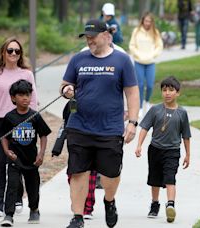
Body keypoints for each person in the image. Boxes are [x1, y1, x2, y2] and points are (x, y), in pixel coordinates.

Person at [61, 19, 139, 228]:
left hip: (110, 128)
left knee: (111, 173)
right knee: (78, 171)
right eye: (87, 37)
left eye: (93, 37)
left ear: (107, 36)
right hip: (79, 125)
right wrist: (66, 91)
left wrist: (132, 122)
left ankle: (109, 201)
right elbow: (65, 85)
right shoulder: (78, 59)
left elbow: (132, 92)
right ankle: (78, 217)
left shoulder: (122, 61)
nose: (89, 41)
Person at [0, 37, 38, 217]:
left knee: (17, 159)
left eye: (17, 51)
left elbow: (33, 101)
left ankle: (17, 196)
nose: (13, 54)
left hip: (20, 121)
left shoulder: (26, 74)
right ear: (3, 52)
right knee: (1, 161)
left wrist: (33, 122)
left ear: (20, 54)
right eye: (10, 50)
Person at [134, 76, 191, 223]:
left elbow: (186, 136)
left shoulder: (182, 113)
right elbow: (144, 128)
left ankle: (170, 205)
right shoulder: (155, 110)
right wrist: (139, 145)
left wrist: (187, 155)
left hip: (172, 151)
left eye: (171, 90)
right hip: (155, 149)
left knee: (170, 177)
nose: (167, 93)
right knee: (155, 178)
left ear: (178, 93)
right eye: (164, 90)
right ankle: (155, 203)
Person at [0, 79, 52, 226]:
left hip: (31, 159)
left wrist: (41, 154)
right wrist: (6, 151)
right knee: (12, 185)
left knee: (33, 186)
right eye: (21, 95)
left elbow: (43, 135)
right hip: (15, 159)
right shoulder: (9, 117)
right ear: (13, 98)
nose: (25, 98)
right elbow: (3, 136)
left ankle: (34, 209)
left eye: (28, 95)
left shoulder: (35, 116)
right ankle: (8, 215)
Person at [51, 101, 98, 220]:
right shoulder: (73, 103)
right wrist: (57, 148)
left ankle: (87, 208)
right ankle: (78, 203)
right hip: (76, 144)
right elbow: (66, 124)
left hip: (93, 142)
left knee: (91, 177)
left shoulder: (98, 101)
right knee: (73, 177)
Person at [129, 12, 163, 117]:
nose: (147, 23)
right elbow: (132, 45)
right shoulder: (136, 31)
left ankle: (147, 102)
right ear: (143, 21)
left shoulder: (155, 33)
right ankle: (139, 107)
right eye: (146, 21)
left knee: (149, 85)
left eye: (149, 21)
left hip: (150, 62)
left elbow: (159, 46)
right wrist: (137, 55)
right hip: (139, 61)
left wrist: (153, 55)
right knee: (140, 85)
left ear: (152, 22)